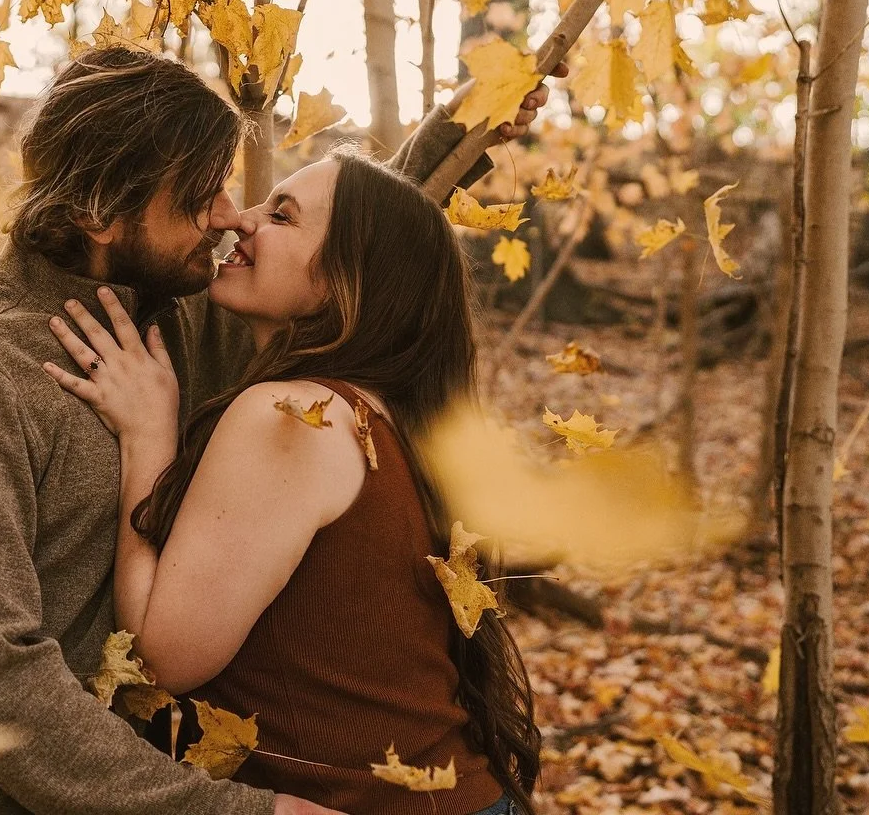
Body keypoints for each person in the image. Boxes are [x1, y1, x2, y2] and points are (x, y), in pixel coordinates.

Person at [0, 47, 551, 815]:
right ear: (100, 213)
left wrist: (461, 132)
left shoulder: (178, 316)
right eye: (200, 195)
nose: (232, 215)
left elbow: (347, 264)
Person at [43, 150, 540, 815]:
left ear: (346, 278)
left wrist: (147, 437)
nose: (240, 221)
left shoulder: (294, 418)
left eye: (281, 215)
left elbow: (163, 657)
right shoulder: (388, 416)